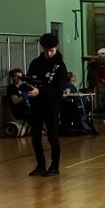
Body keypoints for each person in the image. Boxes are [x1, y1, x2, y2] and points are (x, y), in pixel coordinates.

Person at [24, 33, 69, 177]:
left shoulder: (60, 66)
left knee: (52, 136)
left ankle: (54, 166)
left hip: (51, 105)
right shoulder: (35, 63)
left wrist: (41, 90)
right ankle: (41, 165)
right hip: (36, 104)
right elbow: (30, 80)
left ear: (56, 48)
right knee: (35, 135)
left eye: (51, 51)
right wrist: (29, 87)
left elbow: (57, 88)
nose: (48, 54)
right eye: (46, 51)